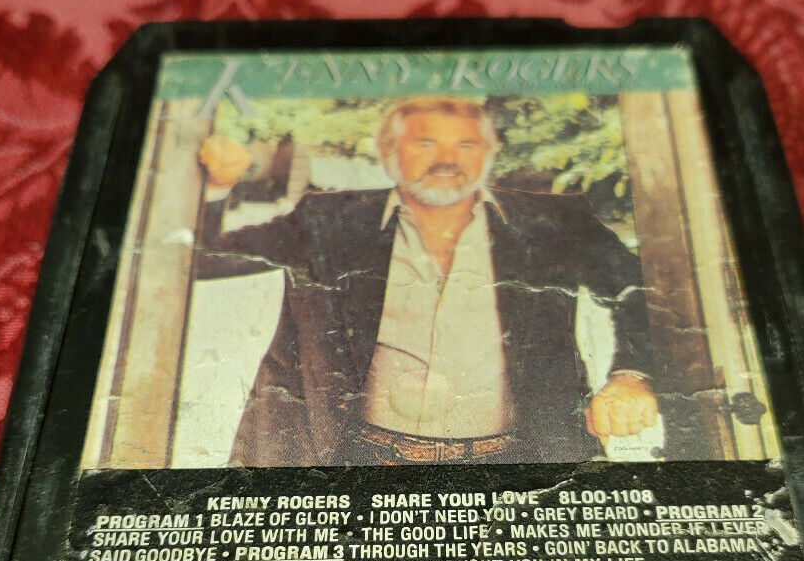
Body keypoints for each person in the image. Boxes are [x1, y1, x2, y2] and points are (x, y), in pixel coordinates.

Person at [195, 97, 659, 466]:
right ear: (388, 154)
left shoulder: (553, 223)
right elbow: (206, 261)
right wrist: (215, 188)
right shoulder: (327, 221)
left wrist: (631, 375)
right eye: (425, 143)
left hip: (514, 464)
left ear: (489, 155)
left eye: (466, 145)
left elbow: (641, 287)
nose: (447, 160)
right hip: (359, 462)